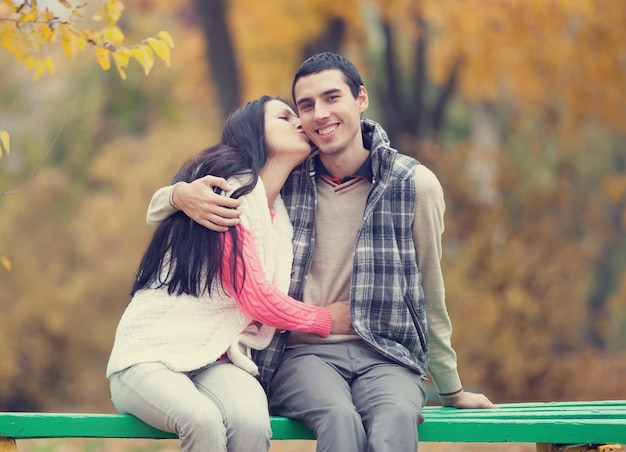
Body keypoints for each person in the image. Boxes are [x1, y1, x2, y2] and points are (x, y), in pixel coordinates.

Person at [147, 53, 496, 452]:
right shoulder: (288, 175)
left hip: (387, 354)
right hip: (303, 355)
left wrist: (451, 389)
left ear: (360, 99)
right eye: (306, 105)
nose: (319, 114)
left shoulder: (414, 185)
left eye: (332, 98)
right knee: (339, 418)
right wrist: (178, 194)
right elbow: (176, 197)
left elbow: (431, 291)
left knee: (395, 420)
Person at [106, 95, 354, 452]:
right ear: (255, 131)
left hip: (217, 359)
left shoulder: (282, 215)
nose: (299, 121)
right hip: (149, 355)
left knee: (252, 424)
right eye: (284, 117)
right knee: (202, 421)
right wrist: (325, 319)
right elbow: (252, 294)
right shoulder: (225, 192)